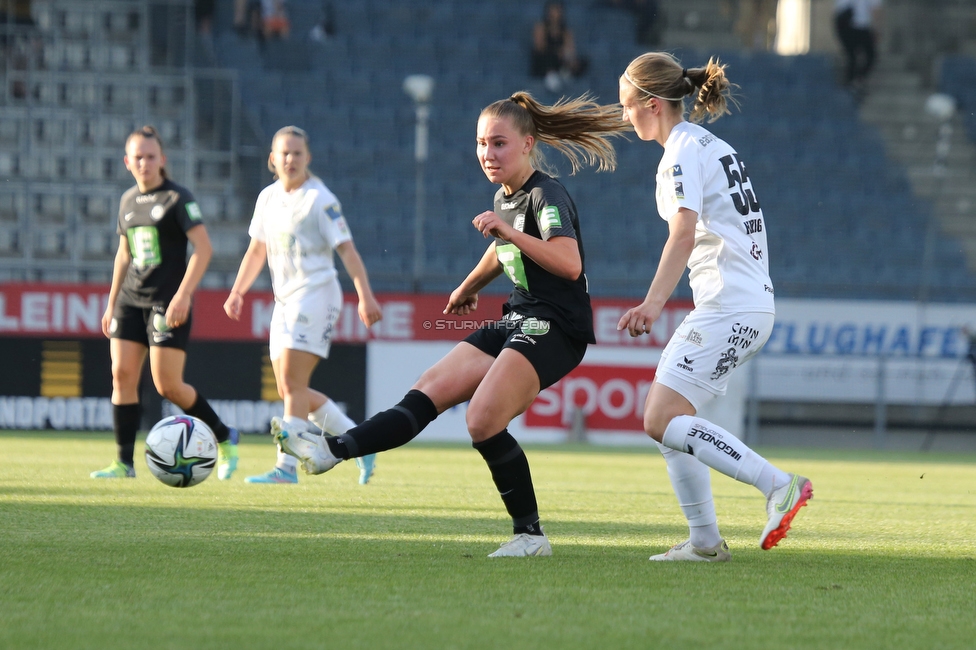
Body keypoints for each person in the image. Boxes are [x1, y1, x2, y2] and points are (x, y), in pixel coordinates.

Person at [274, 92, 628, 557]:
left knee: (482, 420)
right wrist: (468, 286)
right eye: (481, 143)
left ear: (527, 143)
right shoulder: (505, 197)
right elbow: (503, 249)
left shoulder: (547, 194)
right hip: (517, 317)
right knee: (430, 387)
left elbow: (568, 263)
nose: (487, 153)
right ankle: (333, 450)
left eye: (498, 143)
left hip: (556, 326)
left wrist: (508, 233)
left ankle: (531, 536)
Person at [617, 52, 812, 561]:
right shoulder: (712, 144)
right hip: (750, 304)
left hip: (728, 305)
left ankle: (779, 485)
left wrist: (652, 303)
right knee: (668, 419)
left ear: (653, 104)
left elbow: (682, 233)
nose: (623, 116)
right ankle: (704, 542)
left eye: (628, 106)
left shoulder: (679, 152)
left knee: (659, 417)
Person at [224, 126, 382, 486]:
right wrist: (237, 291)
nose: (290, 159)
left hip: (317, 295)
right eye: (284, 153)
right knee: (289, 389)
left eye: (297, 153)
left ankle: (285, 469)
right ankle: (361, 442)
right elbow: (256, 250)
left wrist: (365, 295)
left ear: (308, 158)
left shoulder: (320, 200)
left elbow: (347, 250)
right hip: (285, 300)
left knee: (293, 386)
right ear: (272, 160)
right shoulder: (267, 198)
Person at [91, 126, 239, 480]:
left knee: (167, 386)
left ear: (162, 160)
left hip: (165, 302)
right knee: (121, 375)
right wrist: (111, 303)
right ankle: (124, 463)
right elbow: (123, 254)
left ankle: (225, 436)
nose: (144, 163)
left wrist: (183, 295)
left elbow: (204, 249)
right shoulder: (127, 201)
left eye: (151, 156)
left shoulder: (177, 198)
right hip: (130, 300)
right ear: (127, 162)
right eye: (138, 157)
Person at [530, 1, 588, 93]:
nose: (556, 14)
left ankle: (564, 73)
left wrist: (568, 57)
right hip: (545, 59)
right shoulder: (541, 27)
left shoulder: (566, 31)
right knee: (546, 58)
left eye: (558, 10)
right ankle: (554, 75)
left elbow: (570, 50)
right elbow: (540, 47)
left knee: (583, 62)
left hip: (560, 60)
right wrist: (557, 52)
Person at [834, 0, 882, 99]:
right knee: (854, 56)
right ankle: (852, 83)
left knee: (866, 56)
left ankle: (855, 81)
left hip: (858, 25)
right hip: (849, 23)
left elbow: (876, 8)